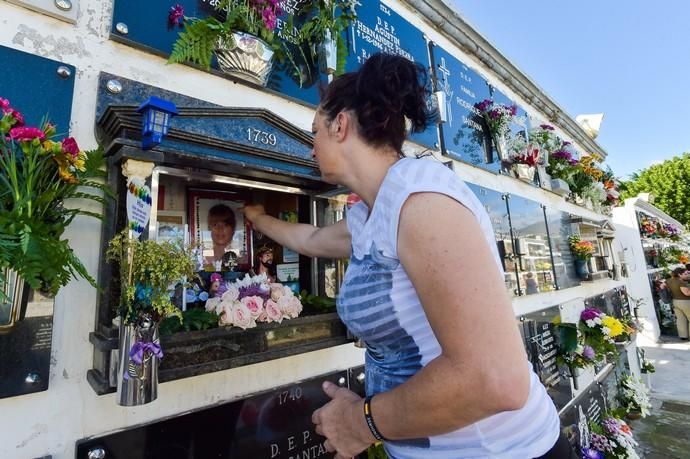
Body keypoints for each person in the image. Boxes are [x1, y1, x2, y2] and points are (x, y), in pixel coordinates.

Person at [243, 53, 566, 458]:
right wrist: (255, 218)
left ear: (340, 125)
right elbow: (312, 239)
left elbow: (495, 380)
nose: (311, 149)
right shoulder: (374, 212)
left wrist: (362, 422)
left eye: (315, 133)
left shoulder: (422, 202)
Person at [205, 204, 238, 271]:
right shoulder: (203, 260)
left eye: (225, 225)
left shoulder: (241, 260)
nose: (220, 229)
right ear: (209, 228)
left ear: (233, 229)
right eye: (215, 224)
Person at [667, 267, 690, 340]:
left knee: (680, 319)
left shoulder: (669, 280)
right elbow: (687, 293)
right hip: (685, 302)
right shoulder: (681, 282)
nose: (687, 275)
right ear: (679, 274)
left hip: (675, 302)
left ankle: (683, 336)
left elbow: (662, 286)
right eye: (685, 274)